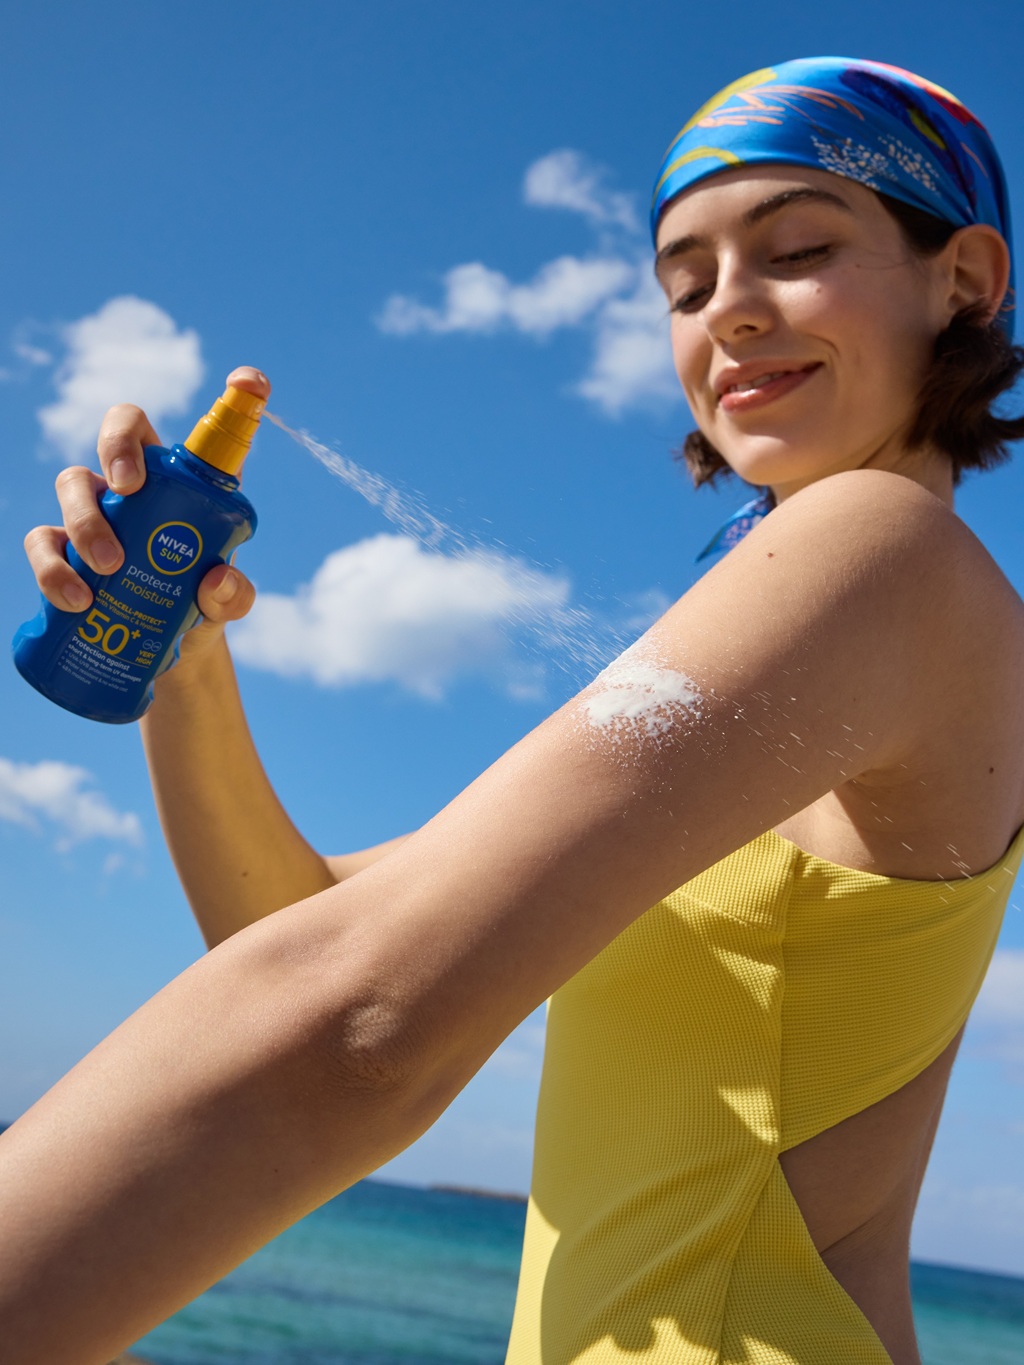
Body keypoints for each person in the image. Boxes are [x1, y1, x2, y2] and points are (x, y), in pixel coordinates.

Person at [6, 55, 1024, 1365]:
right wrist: (182, 671)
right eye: (685, 285)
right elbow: (298, 926)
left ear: (968, 278)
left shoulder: (882, 549)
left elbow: (356, 1017)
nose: (729, 314)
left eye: (798, 248)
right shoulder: (884, 613)